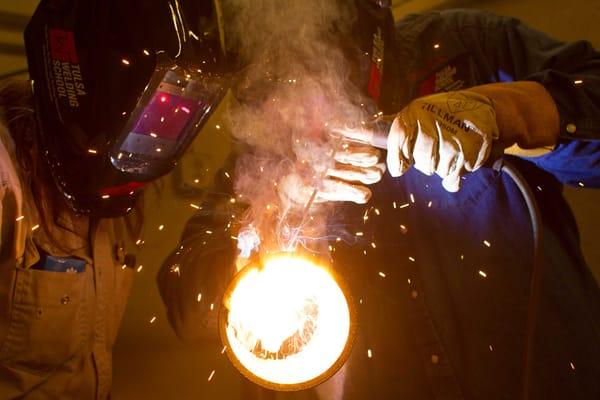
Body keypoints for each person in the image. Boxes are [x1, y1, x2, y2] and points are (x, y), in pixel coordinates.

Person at [157, 1, 600, 399]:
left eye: (323, 82)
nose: (309, 113)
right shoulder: (260, 168)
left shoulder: (472, 49)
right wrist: (265, 228)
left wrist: (508, 113)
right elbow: (187, 303)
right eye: (283, 100)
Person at [0, 1, 228, 398]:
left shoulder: (117, 210)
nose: (156, 139)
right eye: (155, 112)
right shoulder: (9, 180)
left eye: (178, 114)